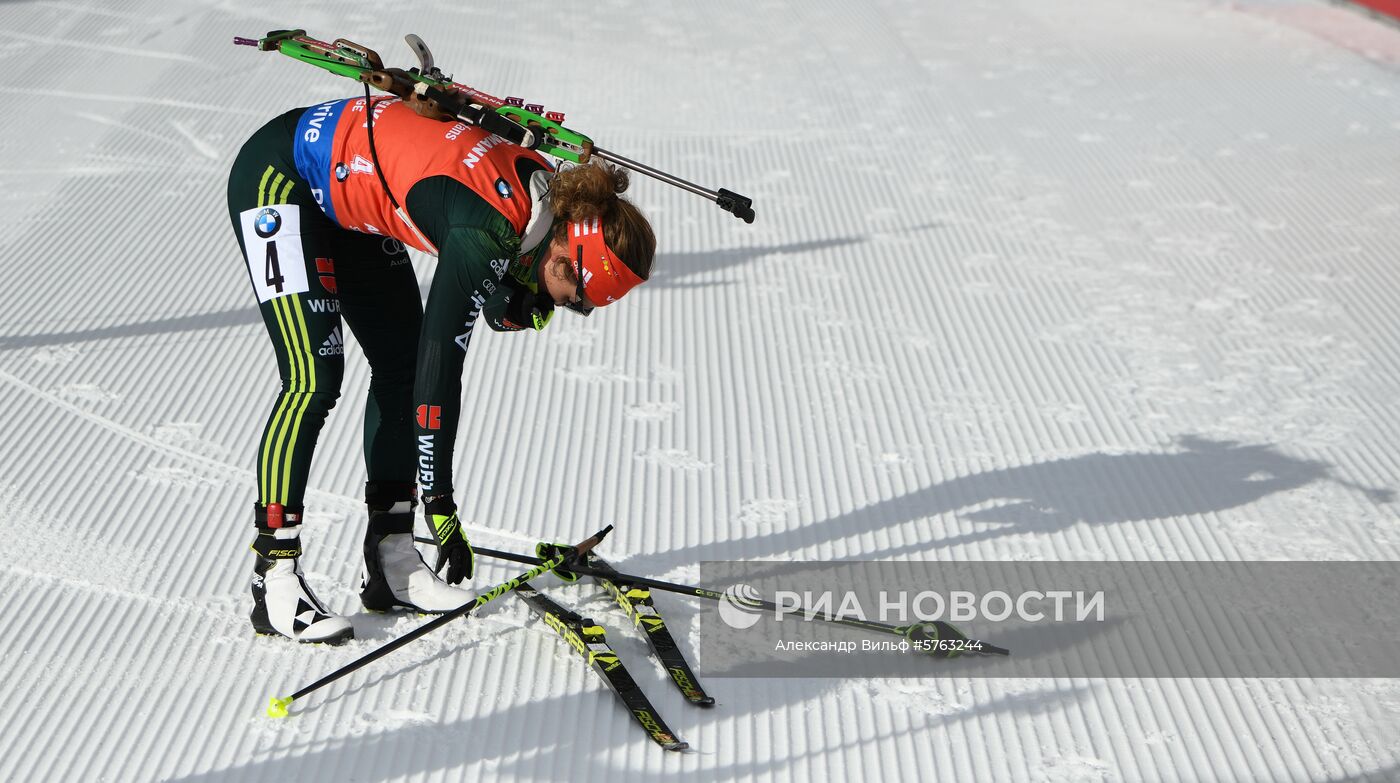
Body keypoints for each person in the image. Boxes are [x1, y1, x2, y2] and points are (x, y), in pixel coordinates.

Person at [226, 93, 655, 644]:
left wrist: (513, 299)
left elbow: (486, 302)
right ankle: (275, 579)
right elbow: (441, 369)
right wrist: (441, 503)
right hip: (280, 178)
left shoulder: (545, 207)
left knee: (398, 368)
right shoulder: (491, 228)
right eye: (576, 300)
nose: (566, 310)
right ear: (563, 255)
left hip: (347, 199)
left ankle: (392, 560)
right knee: (315, 376)